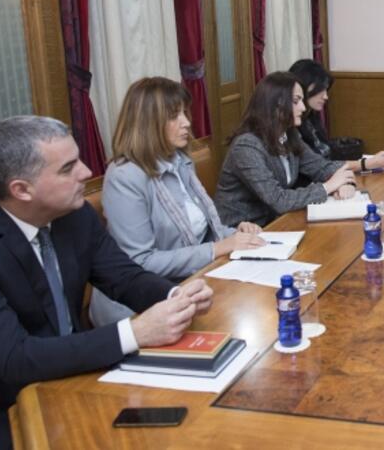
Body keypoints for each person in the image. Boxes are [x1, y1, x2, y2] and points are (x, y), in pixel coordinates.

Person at [0, 117, 214, 448]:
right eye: (68, 168)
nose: (86, 172)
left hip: (78, 374)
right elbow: (14, 358)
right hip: (1, 406)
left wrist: (175, 295)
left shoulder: (75, 215)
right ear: (21, 190)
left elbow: (123, 277)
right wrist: (136, 332)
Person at [89, 78, 267, 327]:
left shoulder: (180, 161)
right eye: (175, 116)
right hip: (138, 308)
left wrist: (238, 233)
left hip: (187, 283)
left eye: (185, 112)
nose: (187, 122)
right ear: (148, 123)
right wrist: (218, 248)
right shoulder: (125, 176)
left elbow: (201, 232)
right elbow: (140, 261)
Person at [214, 72, 357, 226]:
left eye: (302, 100)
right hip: (241, 231)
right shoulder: (246, 147)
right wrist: (328, 187)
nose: (303, 108)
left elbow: (322, 167)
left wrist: (344, 183)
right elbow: (278, 200)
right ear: (275, 105)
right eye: (296, 101)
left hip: (277, 223)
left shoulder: (288, 135)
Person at [288, 58, 384, 173]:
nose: (325, 97)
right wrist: (368, 163)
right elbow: (320, 167)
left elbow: (327, 160)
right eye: (320, 90)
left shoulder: (311, 118)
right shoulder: (292, 127)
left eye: (326, 90)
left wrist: (370, 161)